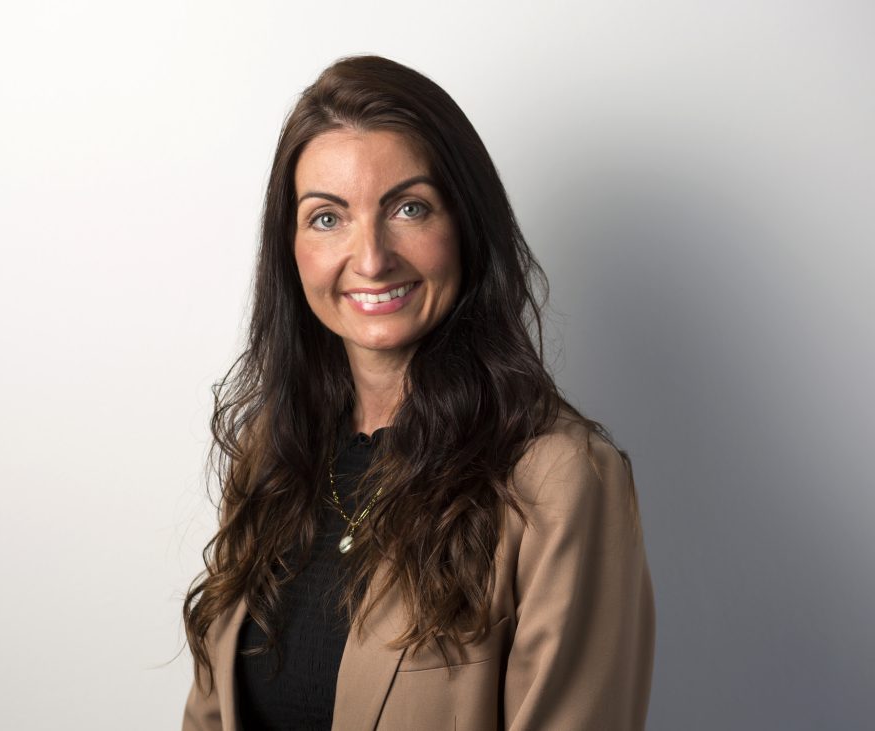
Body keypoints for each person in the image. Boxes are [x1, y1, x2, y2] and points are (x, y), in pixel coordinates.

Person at [181, 55, 654, 731]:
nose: (371, 257)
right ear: (290, 248)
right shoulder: (272, 452)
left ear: (465, 225)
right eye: (327, 217)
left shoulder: (563, 480)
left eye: (408, 208)